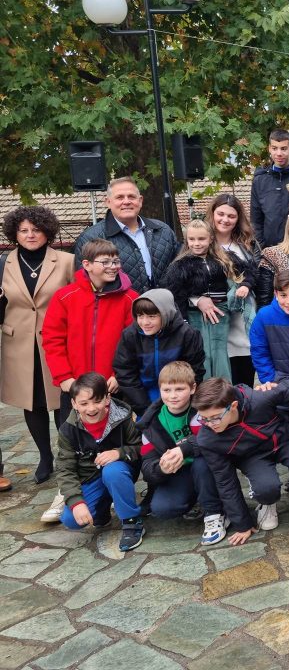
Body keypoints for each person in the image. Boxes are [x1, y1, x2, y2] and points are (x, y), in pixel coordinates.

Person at [40, 239, 137, 522]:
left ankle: (116, 490)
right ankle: (69, 493)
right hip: (75, 388)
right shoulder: (65, 296)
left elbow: (133, 343)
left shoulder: (129, 298)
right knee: (73, 441)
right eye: (105, 262)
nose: (112, 266)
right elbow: (52, 339)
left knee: (116, 442)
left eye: (115, 261)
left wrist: (119, 374)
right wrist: (64, 378)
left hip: (112, 387)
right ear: (86, 265)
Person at [194, 376, 289, 543]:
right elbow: (225, 481)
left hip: (284, 440)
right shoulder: (208, 439)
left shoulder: (259, 397)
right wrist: (242, 524)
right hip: (252, 456)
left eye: (215, 417)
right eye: (203, 418)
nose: (210, 423)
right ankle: (267, 503)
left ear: (233, 406)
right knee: (266, 489)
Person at [0, 205, 74, 487]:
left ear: (47, 231)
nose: (30, 235)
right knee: (32, 402)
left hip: (57, 341)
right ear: (15, 233)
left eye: (36, 229)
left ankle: (67, 455)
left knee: (62, 400)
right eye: (23, 230)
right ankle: (45, 456)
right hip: (18, 344)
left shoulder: (67, 261)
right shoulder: (3, 263)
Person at [137, 362, 228, 545]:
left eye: (179, 389)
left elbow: (212, 439)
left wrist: (183, 449)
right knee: (162, 508)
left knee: (202, 462)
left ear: (193, 388)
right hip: (179, 472)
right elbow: (147, 467)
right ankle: (195, 499)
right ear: (160, 390)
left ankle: (214, 513)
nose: (173, 396)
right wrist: (161, 468)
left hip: (207, 465)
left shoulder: (201, 408)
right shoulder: (150, 423)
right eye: (167, 390)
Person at [55, 373, 144, 551]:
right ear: (74, 403)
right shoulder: (67, 430)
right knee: (71, 520)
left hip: (120, 471)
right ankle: (102, 510)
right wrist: (76, 502)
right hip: (90, 478)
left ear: (107, 399)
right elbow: (65, 469)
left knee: (113, 472)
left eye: (97, 401)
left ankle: (132, 522)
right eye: (83, 403)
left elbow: (141, 447)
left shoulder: (123, 418)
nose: (91, 408)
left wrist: (119, 453)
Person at [161, 220, 252, 380]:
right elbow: (174, 291)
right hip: (194, 313)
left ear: (211, 238)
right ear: (186, 240)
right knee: (202, 351)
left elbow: (250, 271)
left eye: (201, 239)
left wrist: (245, 285)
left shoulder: (224, 258)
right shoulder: (180, 265)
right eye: (192, 239)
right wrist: (194, 301)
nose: (196, 243)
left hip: (221, 311)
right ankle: (204, 389)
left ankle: (223, 388)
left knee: (219, 350)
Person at [73, 177, 178, 293]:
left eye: (131, 197)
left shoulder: (163, 231)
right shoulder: (91, 238)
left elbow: (180, 272)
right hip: (118, 304)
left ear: (140, 201)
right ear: (108, 202)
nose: (127, 201)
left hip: (165, 303)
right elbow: (86, 286)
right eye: (120, 197)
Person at [113, 289, 206, 416]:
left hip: (177, 396)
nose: (145, 322)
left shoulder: (187, 334)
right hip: (142, 397)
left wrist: (182, 402)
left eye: (152, 316)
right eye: (140, 316)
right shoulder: (130, 335)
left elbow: (195, 371)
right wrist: (145, 408)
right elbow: (125, 373)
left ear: (165, 313)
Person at [208, 194, 261, 385]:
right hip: (215, 319)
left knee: (244, 381)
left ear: (238, 219)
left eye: (231, 216)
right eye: (220, 214)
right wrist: (198, 300)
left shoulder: (248, 243)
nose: (225, 220)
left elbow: (257, 274)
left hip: (243, 320)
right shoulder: (201, 241)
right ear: (212, 214)